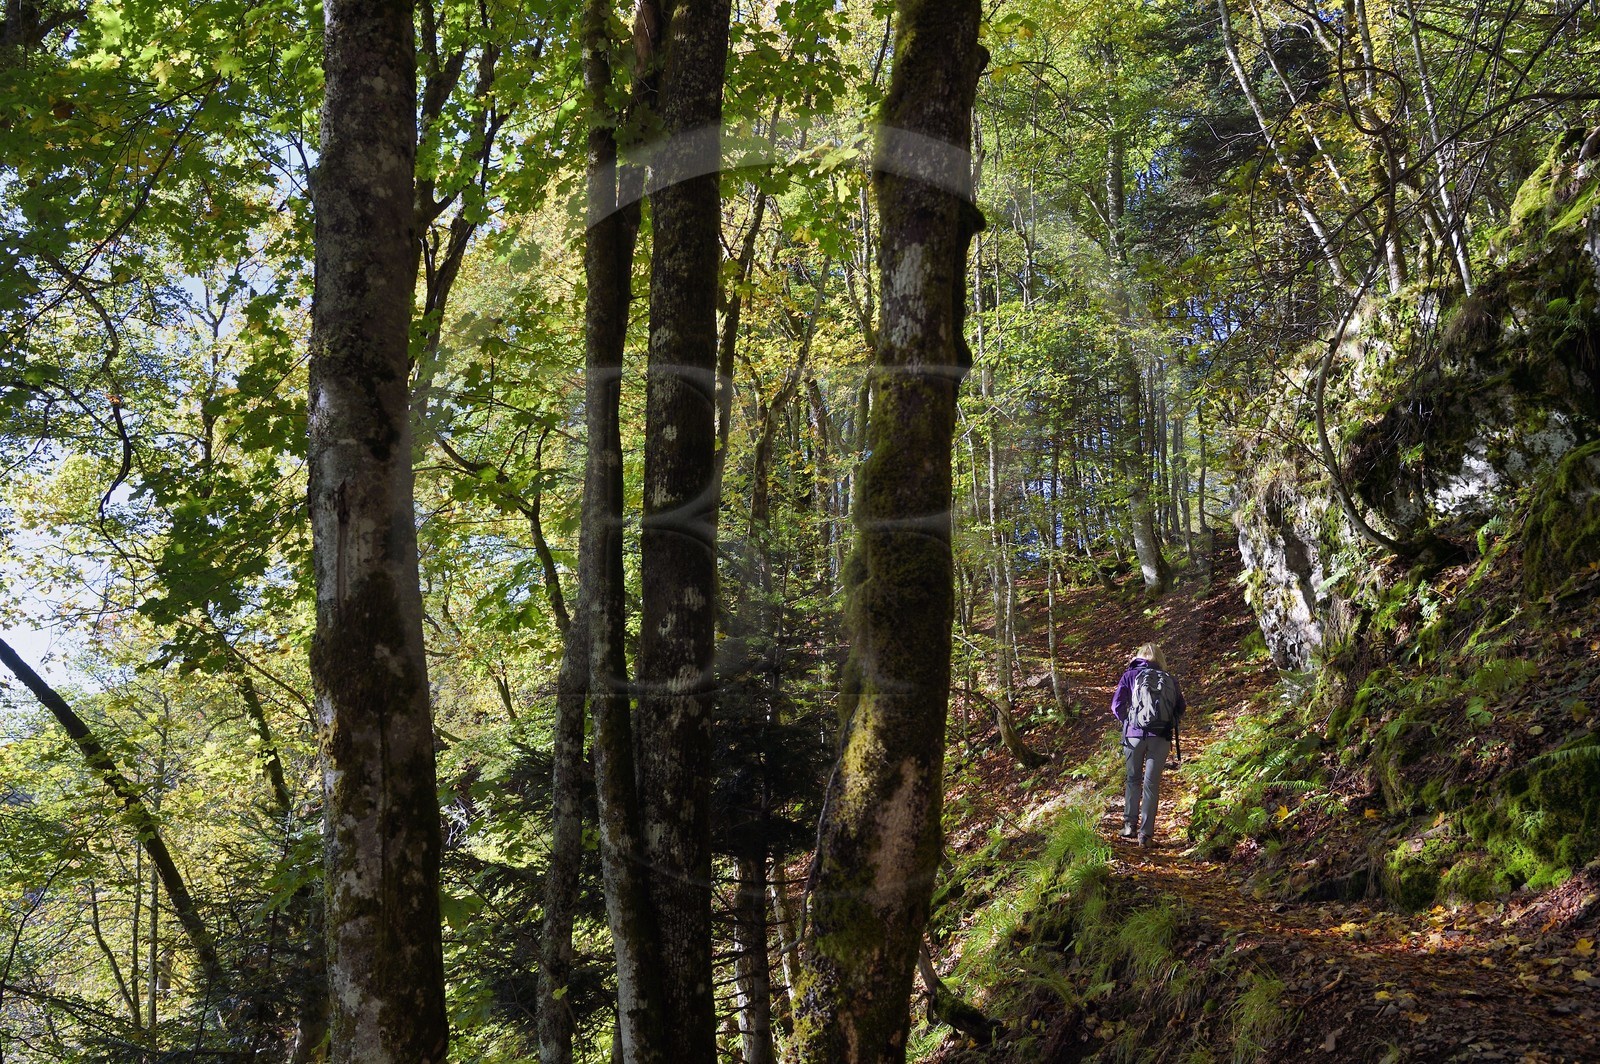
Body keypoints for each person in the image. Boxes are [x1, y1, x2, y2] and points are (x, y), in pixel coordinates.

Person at [1110, 642, 1186, 846]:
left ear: (1139, 657)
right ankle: (1145, 835)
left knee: (1133, 780)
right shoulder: (1169, 679)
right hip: (1160, 737)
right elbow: (1181, 708)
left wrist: (1129, 721)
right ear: (1160, 659)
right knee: (1151, 784)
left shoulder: (1130, 675)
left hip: (1134, 737)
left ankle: (1128, 826)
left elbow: (1116, 705)